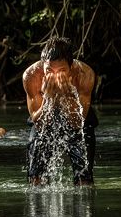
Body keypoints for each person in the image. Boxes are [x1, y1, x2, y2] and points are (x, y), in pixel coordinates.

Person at [23, 37, 98, 185]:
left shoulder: (84, 74)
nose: (55, 75)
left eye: (62, 70)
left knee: (84, 179)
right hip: (43, 118)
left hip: (78, 116)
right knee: (35, 179)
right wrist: (48, 100)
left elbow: (77, 124)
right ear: (42, 66)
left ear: (71, 66)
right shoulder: (31, 76)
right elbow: (39, 123)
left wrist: (68, 96)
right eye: (49, 70)